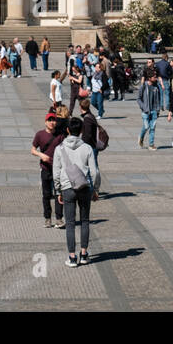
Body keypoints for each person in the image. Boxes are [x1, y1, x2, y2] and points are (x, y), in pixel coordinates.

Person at [53, 117, 99, 267]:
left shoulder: (59, 148)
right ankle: (84, 254)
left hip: (67, 188)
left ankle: (72, 257)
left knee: (71, 223)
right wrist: (95, 189)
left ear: (67, 130)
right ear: (81, 131)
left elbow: (56, 172)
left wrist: (58, 189)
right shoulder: (87, 148)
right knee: (85, 221)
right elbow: (95, 172)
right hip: (84, 188)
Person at [31, 114, 66, 228]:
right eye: (49, 120)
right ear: (45, 122)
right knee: (46, 194)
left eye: (53, 120)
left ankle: (59, 218)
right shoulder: (40, 134)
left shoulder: (60, 136)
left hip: (58, 169)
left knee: (59, 193)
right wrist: (41, 155)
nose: (52, 122)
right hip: (45, 168)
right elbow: (33, 150)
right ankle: (47, 218)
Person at [137, 70, 161, 150]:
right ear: (150, 78)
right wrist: (143, 107)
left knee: (153, 127)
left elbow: (159, 98)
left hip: (154, 110)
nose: (156, 78)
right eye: (154, 77)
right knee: (146, 126)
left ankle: (151, 144)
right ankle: (141, 137)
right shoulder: (144, 86)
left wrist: (158, 109)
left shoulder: (156, 86)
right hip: (146, 110)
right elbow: (138, 98)